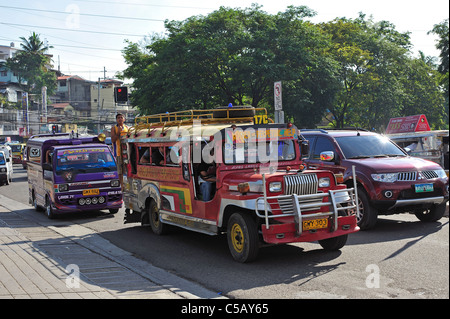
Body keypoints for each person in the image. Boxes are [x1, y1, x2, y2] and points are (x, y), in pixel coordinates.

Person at [111, 113, 129, 184]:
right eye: (118, 118)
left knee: (127, 168)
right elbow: (112, 140)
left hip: (126, 151)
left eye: (121, 117)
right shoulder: (114, 128)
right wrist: (118, 133)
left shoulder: (127, 128)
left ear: (124, 119)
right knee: (120, 171)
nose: (120, 119)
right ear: (116, 120)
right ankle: (121, 186)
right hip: (118, 152)